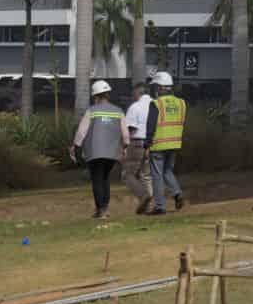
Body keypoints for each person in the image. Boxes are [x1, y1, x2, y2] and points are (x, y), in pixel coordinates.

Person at [72, 79, 125, 220]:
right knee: (105, 178)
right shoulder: (118, 111)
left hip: (94, 153)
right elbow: (125, 134)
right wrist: (125, 146)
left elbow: (81, 132)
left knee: (97, 179)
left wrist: (75, 146)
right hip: (112, 153)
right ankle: (104, 208)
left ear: (95, 96)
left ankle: (100, 210)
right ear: (108, 94)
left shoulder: (91, 111)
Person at [146, 70, 187, 215]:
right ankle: (177, 193)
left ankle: (160, 206)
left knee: (157, 175)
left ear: (160, 87)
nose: (154, 89)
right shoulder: (181, 103)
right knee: (167, 171)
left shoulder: (156, 104)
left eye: (155, 86)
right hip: (174, 143)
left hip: (158, 144)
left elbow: (151, 125)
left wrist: (147, 144)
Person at [122, 80, 156, 215]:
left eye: (133, 93)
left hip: (137, 144)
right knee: (146, 176)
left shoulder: (135, 107)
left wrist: (124, 146)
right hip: (153, 143)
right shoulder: (156, 105)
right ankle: (148, 207)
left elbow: (130, 129)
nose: (133, 96)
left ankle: (143, 196)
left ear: (138, 92)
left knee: (127, 175)